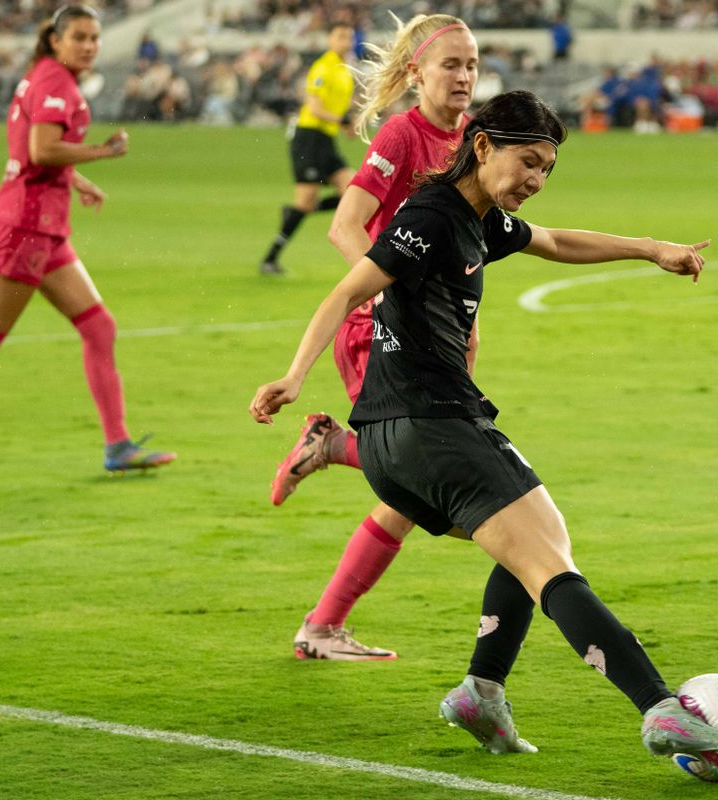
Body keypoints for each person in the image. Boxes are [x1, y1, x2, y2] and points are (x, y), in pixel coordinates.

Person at [250, 89, 718, 782]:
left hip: (396, 445)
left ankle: (482, 695)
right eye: (528, 161)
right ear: (483, 144)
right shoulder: (431, 216)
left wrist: (650, 249)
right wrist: (292, 376)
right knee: (550, 562)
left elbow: (552, 240)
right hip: (435, 428)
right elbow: (345, 291)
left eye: (547, 168)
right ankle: (659, 707)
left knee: (532, 542)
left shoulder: (481, 221)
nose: (536, 179)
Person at [269, 14, 480, 661]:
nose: (466, 76)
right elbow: (346, 225)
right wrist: (391, 289)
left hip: (444, 332)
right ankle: (332, 449)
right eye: (452, 64)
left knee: (413, 490)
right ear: (417, 73)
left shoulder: (475, 139)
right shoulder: (403, 134)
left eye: (473, 64)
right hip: (379, 329)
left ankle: (323, 626)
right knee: (422, 472)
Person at [0, 4, 174, 473]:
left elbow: (30, 150)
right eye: (79, 37)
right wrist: (103, 152)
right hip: (25, 228)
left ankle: (117, 446)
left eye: (94, 38)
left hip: (44, 228)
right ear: (56, 41)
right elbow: (42, 149)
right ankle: (117, 445)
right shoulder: (55, 82)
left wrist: (76, 180)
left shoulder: (46, 74)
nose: (88, 46)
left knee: (99, 327)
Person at [259, 21, 357, 276]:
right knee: (306, 201)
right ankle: (270, 259)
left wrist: (348, 124)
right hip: (309, 139)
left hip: (326, 139)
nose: (345, 41)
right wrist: (342, 120)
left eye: (349, 36)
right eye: (340, 36)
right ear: (329, 40)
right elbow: (314, 108)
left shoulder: (344, 71)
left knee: (353, 191)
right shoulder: (323, 67)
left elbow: (338, 109)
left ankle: (294, 213)